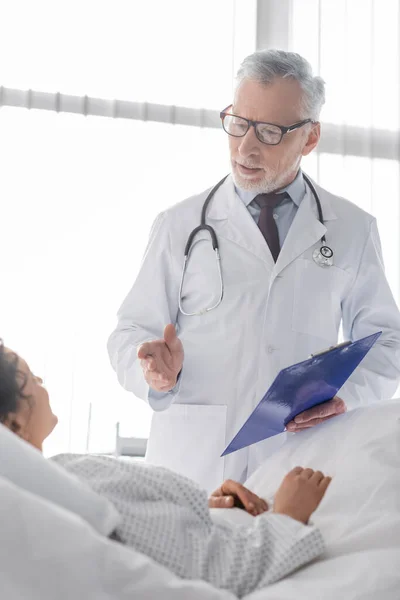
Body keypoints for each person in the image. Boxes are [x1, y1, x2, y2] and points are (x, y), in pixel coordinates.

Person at [107, 48, 400, 493]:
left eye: (268, 132)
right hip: (192, 464)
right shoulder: (179, 225)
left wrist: (349, 394)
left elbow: (387, 341)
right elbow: (130, 331)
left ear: (310, 138)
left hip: (296, 462)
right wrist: (151, 370)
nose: (246, 147)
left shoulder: (353, 229)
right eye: (239, 123)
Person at [0, 339, 330, 597]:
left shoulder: (60, 486)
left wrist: (197, 507)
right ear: (13, 421)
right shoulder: (75, 482)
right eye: (32, 378)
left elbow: (147, 533)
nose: (43, 382)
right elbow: (220, 570)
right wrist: (287, 517)